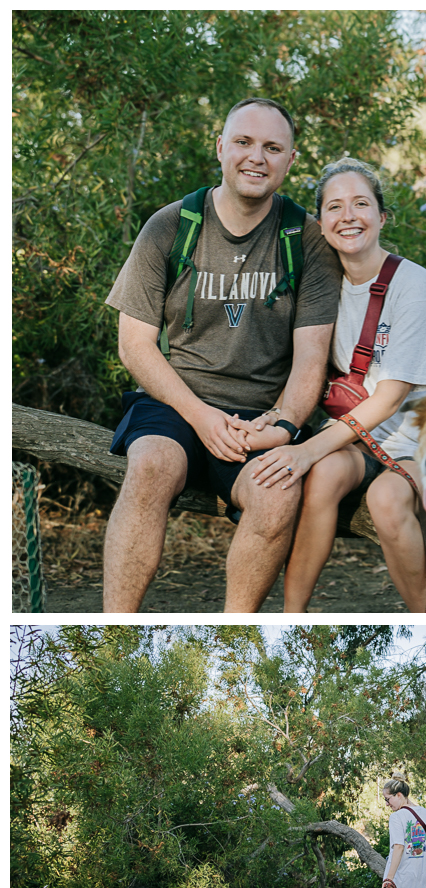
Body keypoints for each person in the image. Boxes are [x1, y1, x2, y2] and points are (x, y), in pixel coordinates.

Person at [103, 97, 342, 613]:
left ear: (290, 159)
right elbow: (134, 344)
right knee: (149, 467)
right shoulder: (170, 226)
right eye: (244, 142)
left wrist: (282, 425)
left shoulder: (308, 240)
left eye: (272, 147)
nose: (257, 157)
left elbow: (310, 360)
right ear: (220, 147)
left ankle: (238, 629)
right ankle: (114, 627)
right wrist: (201, 416)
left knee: (278, 492)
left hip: (262, 415)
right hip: (176, 404)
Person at [247, 158, 426, 613]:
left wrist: (308, 447)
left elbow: (390, 397)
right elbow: (309, 369)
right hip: (359, 437)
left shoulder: (413, 285)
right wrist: (276, 419)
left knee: (384, 497)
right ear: (320, 223)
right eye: (335, 207)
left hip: (424, 439)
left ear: (381, 217)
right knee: (321, 473)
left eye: (361, 204)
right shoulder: (320, 285)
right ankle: (291, 615)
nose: (348, 216)